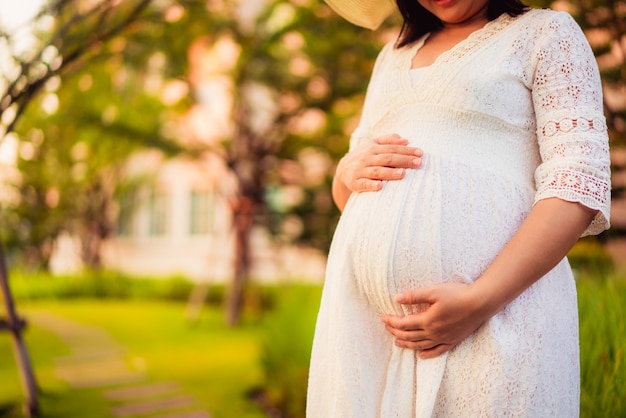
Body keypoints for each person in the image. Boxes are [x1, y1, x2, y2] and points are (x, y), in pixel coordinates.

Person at [306, 0, 612, 417]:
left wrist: (479, 301)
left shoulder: (546, 34)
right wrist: (345, 172)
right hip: (374, 335)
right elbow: (355, 198)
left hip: (497, 316)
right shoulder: (390, 56)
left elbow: (578, 183)